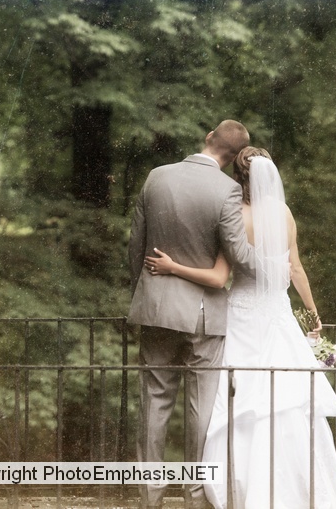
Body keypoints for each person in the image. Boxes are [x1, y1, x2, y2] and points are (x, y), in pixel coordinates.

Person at [145, 147, 336, 509]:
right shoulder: (284, 214)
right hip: (278, 315)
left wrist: (172, 267)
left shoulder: (234, 215)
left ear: (238, 178)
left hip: (241, 316)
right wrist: (312, 313)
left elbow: (218, 277)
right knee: (287, 402)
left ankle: (236, 491)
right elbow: (296, 269)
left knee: (235, 401)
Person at [127, 120, 256, 509]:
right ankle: (195, 496)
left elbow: (136, 246)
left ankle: (150, 497)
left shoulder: (157, 177)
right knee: (201, 409)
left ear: (208, 138)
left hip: (156, 307)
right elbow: (239, 255)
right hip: (203, 315)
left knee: (154, 402)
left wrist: (145, 294)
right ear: (234, 156)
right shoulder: (227, 190)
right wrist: (273, 262)